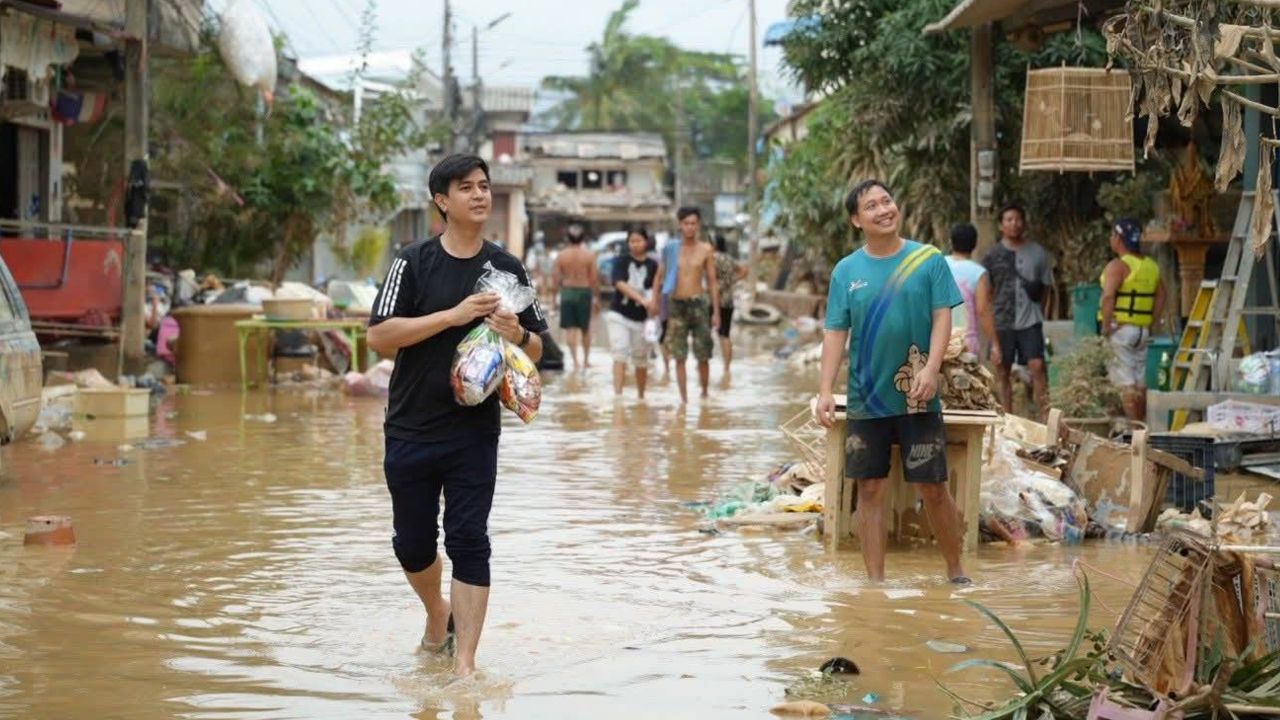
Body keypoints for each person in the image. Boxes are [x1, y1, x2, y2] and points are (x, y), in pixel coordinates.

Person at [365, 153, 548, 679]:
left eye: (485, 186)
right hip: (410, 426)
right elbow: (378, 336)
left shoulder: (507, 268)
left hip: (474, 432)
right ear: (442, 201)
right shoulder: (413, 262)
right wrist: (453, 316)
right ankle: (435, 612)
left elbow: (539, 351)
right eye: (465, 187)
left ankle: (465, 666)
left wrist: (516, 333)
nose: (479, 195)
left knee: (470, 540)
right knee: (413, 543)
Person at [814, 180, 968, 584]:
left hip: (919, 396)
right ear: (855, 219)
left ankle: (956, 573)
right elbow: (835, 332)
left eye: (887, 201)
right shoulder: (846, 271)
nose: (883, 210)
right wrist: (826, 390)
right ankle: (876, 584)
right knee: (869, 489)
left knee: (934, 487)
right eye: (871, 206)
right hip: (867, 398)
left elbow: (942, 316)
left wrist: (932, 368)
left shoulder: (928, 260)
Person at [982, 204, 1055, 419]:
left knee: (1037, 365)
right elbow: (987, 292)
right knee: (1002, 370)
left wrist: (1041, 313)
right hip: (1002, 321)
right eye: (1009, 219)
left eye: (1018, 219)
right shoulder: (992, 255)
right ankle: (1007, 418)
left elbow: (1046, 287)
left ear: (1024, 222)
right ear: (1001, 225)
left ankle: (1045, 416)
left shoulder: (1038, 253)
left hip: (1030, 320)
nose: (1014, 224)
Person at [1099, 218, 1165, 422]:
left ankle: (1133, 429)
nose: (1111, 239)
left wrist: (1106, 327)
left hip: (1122, 331)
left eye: (1113, 235)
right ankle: (1142, 424)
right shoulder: (1151, 266)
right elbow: (1162, 295)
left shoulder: (1118, 266)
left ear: (1119, 239)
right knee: (1139, 381)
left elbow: (1109, 296)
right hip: (1142, 331)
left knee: (1125, 382)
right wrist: (1150, 322)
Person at [653, 207, 720, 403]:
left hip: (699, 303)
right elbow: (659, 277)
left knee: (703, 354)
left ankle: (705, 394)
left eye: (693, 223)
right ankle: (684, 400)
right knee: (678, 355)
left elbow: (713, 281)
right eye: (686, 223)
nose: (690, 227)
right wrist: (654, 302)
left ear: (698, 225)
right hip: (676, 304)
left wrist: (716, 312)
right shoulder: (671, 249)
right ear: (680, 225)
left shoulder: (706, 249)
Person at [606, 228, 659, 398]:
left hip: (642, 318)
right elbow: (619, 283)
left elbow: (656, 287)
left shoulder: (653, 265)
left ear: (646, 242)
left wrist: (654, 306)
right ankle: (618, 396)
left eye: (639, 241)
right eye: (632, 241)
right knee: (619, 353)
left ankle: (641, 396)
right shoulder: (621, 261)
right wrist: (642, 300)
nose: (635, 245)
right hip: (619, 314)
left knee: (641, 358)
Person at [945, 223, 1001, 366]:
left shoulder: (937, 264)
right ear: (974, 244)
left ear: (951, 242)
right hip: (966, 342)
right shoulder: (977, 273)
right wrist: (995, 344)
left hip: (936, 338)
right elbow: (982, 310)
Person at [552, 224, 599, 369]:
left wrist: (554, 299)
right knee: (585, 328)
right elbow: (594, 279)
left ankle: (575, 362)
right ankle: (585, 360)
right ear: (583, 238)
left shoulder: (561, 255)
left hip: (567, 292)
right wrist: (596, 298)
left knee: (570, 329)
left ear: (568, 238)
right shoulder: (589, 255)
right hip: (584, 291)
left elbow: (556, 279)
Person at [712, 235, 749, 376]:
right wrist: (732, 281)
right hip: (728, 300)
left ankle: (705, 364)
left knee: (712, 332)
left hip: (714, 299)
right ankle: (727, 367)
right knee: (725, 334)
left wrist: (719, 285)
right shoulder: (728, 258)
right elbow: (744, 270)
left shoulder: (712, 258)